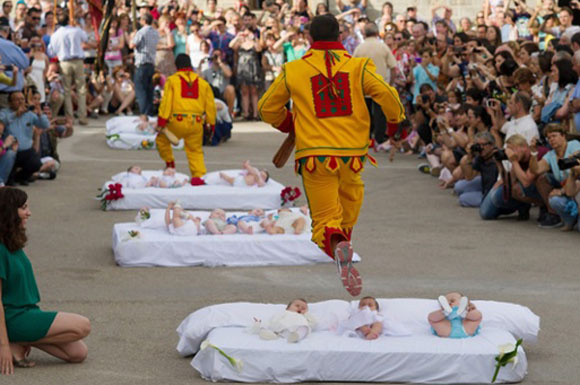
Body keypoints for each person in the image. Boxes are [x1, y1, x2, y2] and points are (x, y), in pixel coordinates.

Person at [258, 14, 405, 296]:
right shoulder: (358, 67)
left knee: (325, 218)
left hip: (315, 157)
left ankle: (337, 243)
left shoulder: (294, 69)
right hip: (352, 157)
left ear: (310, 39)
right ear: (340, 37)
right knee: (348, 206)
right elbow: (387, 95)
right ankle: (343, 241)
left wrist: (290, 124)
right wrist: (394, 123)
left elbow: (266, 108)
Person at [0, 187, 91, 374]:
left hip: (27, 311)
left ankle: (19, 340)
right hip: (14, 316)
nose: (29, 213)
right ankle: (11, 339)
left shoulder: (12, 242)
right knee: (82, 326)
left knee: (78, 353)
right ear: (9, 212)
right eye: (23, 208)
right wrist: (3, 348)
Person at [156, 54, 216, 177]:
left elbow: (166, 102)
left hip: (176, 122)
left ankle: (170, 164)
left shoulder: (172, 81)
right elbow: (211, 106)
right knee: (195, 151)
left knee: (161, 140)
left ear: (176, 66)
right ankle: (198, 177)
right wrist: (211, 124)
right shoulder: (203, 83)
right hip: (196, 123)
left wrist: (161, 121)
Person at [353, 22, 396, 146]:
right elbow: (393, 67)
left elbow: (353, 68)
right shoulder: (383, 47)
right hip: (380, 84)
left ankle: (366, 137)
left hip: (364, 84)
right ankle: (379, 138)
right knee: (380, 114)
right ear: (377, 33)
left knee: (365, 113)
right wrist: (391, 84)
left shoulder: (360, 48)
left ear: (365, 33)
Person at [531, 123, 580, 228]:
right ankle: (567, 220)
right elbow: (536, 170)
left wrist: (561, 191)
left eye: (554, 136)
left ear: (563, 136)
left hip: (576, 187)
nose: (551, 140)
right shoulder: (551, 155)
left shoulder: (574, 145)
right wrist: (533, 153)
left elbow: (576, 166)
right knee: (553, 199)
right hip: (569, 188)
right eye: (549, 137)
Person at [0, 91, 49, 185]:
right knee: (10, 157)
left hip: (26, 150)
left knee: (36, 164)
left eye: (22, 99)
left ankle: (20, 178)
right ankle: (8, 180)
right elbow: (1, 123)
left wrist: (40, 114)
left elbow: (45, 125)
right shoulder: (4, 113)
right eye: (17, 99)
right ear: (10, 102)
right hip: (10, 150)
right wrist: (15, 114)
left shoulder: (29, 114)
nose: (20, 101)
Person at [47, 13, 88, 125]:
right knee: (81, 90)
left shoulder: (55, 34)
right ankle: (82, 117)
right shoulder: (76, 30)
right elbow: (86, 38)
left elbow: (51, 51)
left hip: (64, 62)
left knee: (67, 91)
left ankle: (70, 118)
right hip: (77, 60)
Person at [129, 13, 159, 116]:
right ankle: (149, 112)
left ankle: (143, 112)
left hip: (142, 63)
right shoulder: (155, 33)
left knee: (140, 89)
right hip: (151, 63)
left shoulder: (141, 32)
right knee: (149, 90)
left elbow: (132, 45)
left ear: (143, 21)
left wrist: (132, 37)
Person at [250, 298, 316, 343]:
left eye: (303, 308)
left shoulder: (303, 316)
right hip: (282, 329)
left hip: (295, 330)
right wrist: (262, 324)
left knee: (305, 328)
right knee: (271, 327)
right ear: (288, 307)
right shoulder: (284, 313)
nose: (300, 308)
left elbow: (313, 323)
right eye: (297, 305)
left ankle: (297, 336)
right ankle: (268, 334)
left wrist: (306, 313)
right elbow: (273, 319)